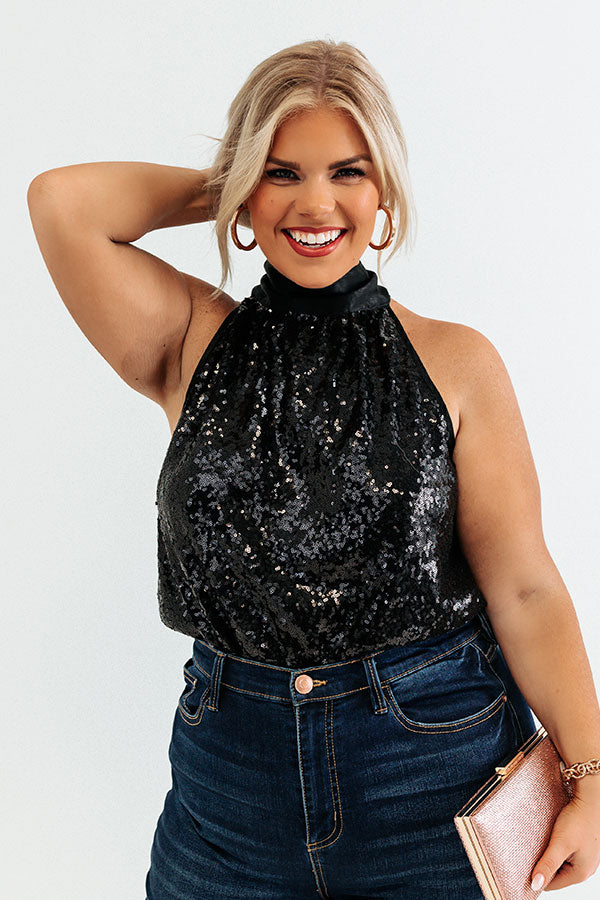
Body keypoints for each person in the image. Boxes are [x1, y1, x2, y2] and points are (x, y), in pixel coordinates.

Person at [27, 38, 600, 900]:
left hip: (431, 768)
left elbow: (524, 587)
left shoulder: (458, 363)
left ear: (385, 193)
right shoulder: (189, 340)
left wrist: (592, 775)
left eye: (348, 172)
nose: (317, 203)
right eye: (284, 172)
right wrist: (235, 184)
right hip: (230, 784)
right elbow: (61, 201)